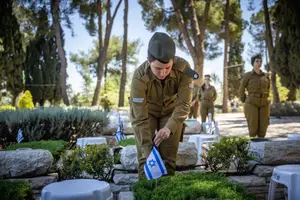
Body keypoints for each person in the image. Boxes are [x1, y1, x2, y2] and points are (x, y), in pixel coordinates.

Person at [129, 32, 199, 179]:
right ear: (148, 60)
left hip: (171, 112)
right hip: (147, 112)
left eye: (167, 68)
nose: (163, 73)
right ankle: (146, 192)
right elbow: (139, 118)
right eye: (158, 68)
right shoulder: (138, 77)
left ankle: (166, 191)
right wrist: (148, 151)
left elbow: (184, 104)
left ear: (173, 60)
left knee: (168, 158)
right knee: (145, 156)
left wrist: (169, 127)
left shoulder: (185, 69)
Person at [238, 54, 270, 138]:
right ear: (253, 62)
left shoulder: (266, 75)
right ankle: (253, 149)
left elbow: (268, 88)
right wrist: (244, 100)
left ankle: (261, 147)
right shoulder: (248, 75)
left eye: (260, 61)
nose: (259, 63)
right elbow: (241, 89)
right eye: (257, 61)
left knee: (263, 127)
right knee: (253, 128)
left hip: (264, 103)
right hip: (251, 102)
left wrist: (266, 97)